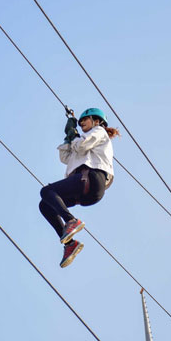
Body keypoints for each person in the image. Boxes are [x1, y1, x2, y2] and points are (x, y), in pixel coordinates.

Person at [39, 107, 120, 268]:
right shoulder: (84, 141)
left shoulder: (99, 132)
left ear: (97, 121)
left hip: (91, 178)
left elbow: (81, 145)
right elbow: (66, 157)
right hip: (87, 191)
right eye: (80, 121)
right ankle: (69, 244)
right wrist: (68, 137)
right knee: (45, 205)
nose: (81, 123)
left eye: (85, 119)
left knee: (47, 191)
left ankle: (71, 221)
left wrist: (75, 136)